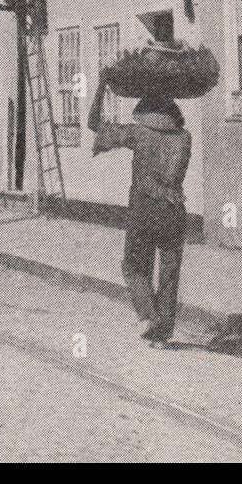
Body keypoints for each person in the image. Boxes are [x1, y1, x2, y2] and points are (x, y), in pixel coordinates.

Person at [89, 72, 192, 348]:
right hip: (175, 210)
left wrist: (101, 86)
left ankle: (149, 316)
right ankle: (162, 335)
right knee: (170, 274)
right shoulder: (185, 137)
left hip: (145, 209)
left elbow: (94, 124)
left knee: (134, 266)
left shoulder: (138, 133)